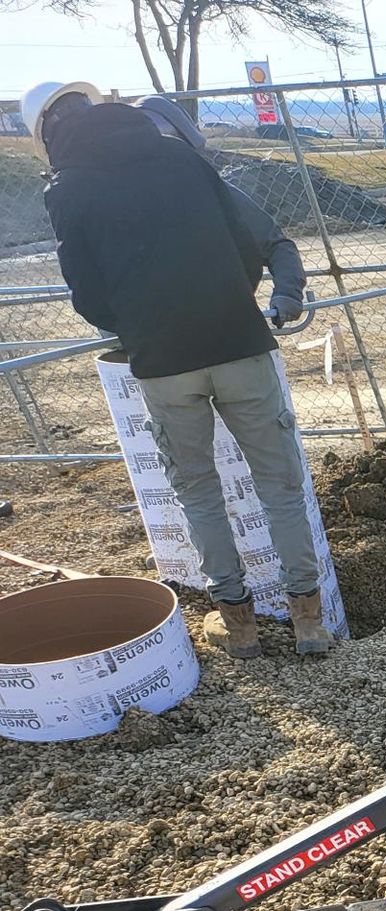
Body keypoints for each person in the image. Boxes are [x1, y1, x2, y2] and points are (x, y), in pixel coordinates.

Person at [25, 82, 333, 658]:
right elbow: (246, 240)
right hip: (239, 342)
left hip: (163, 361)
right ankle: (309, 623)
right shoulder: (179, 156)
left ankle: (239, 627)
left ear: (45, 134)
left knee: (199, 492)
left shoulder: (67, 188)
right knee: (280, 486)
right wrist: (233, 301)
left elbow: (84, 289)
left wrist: (140, 325)